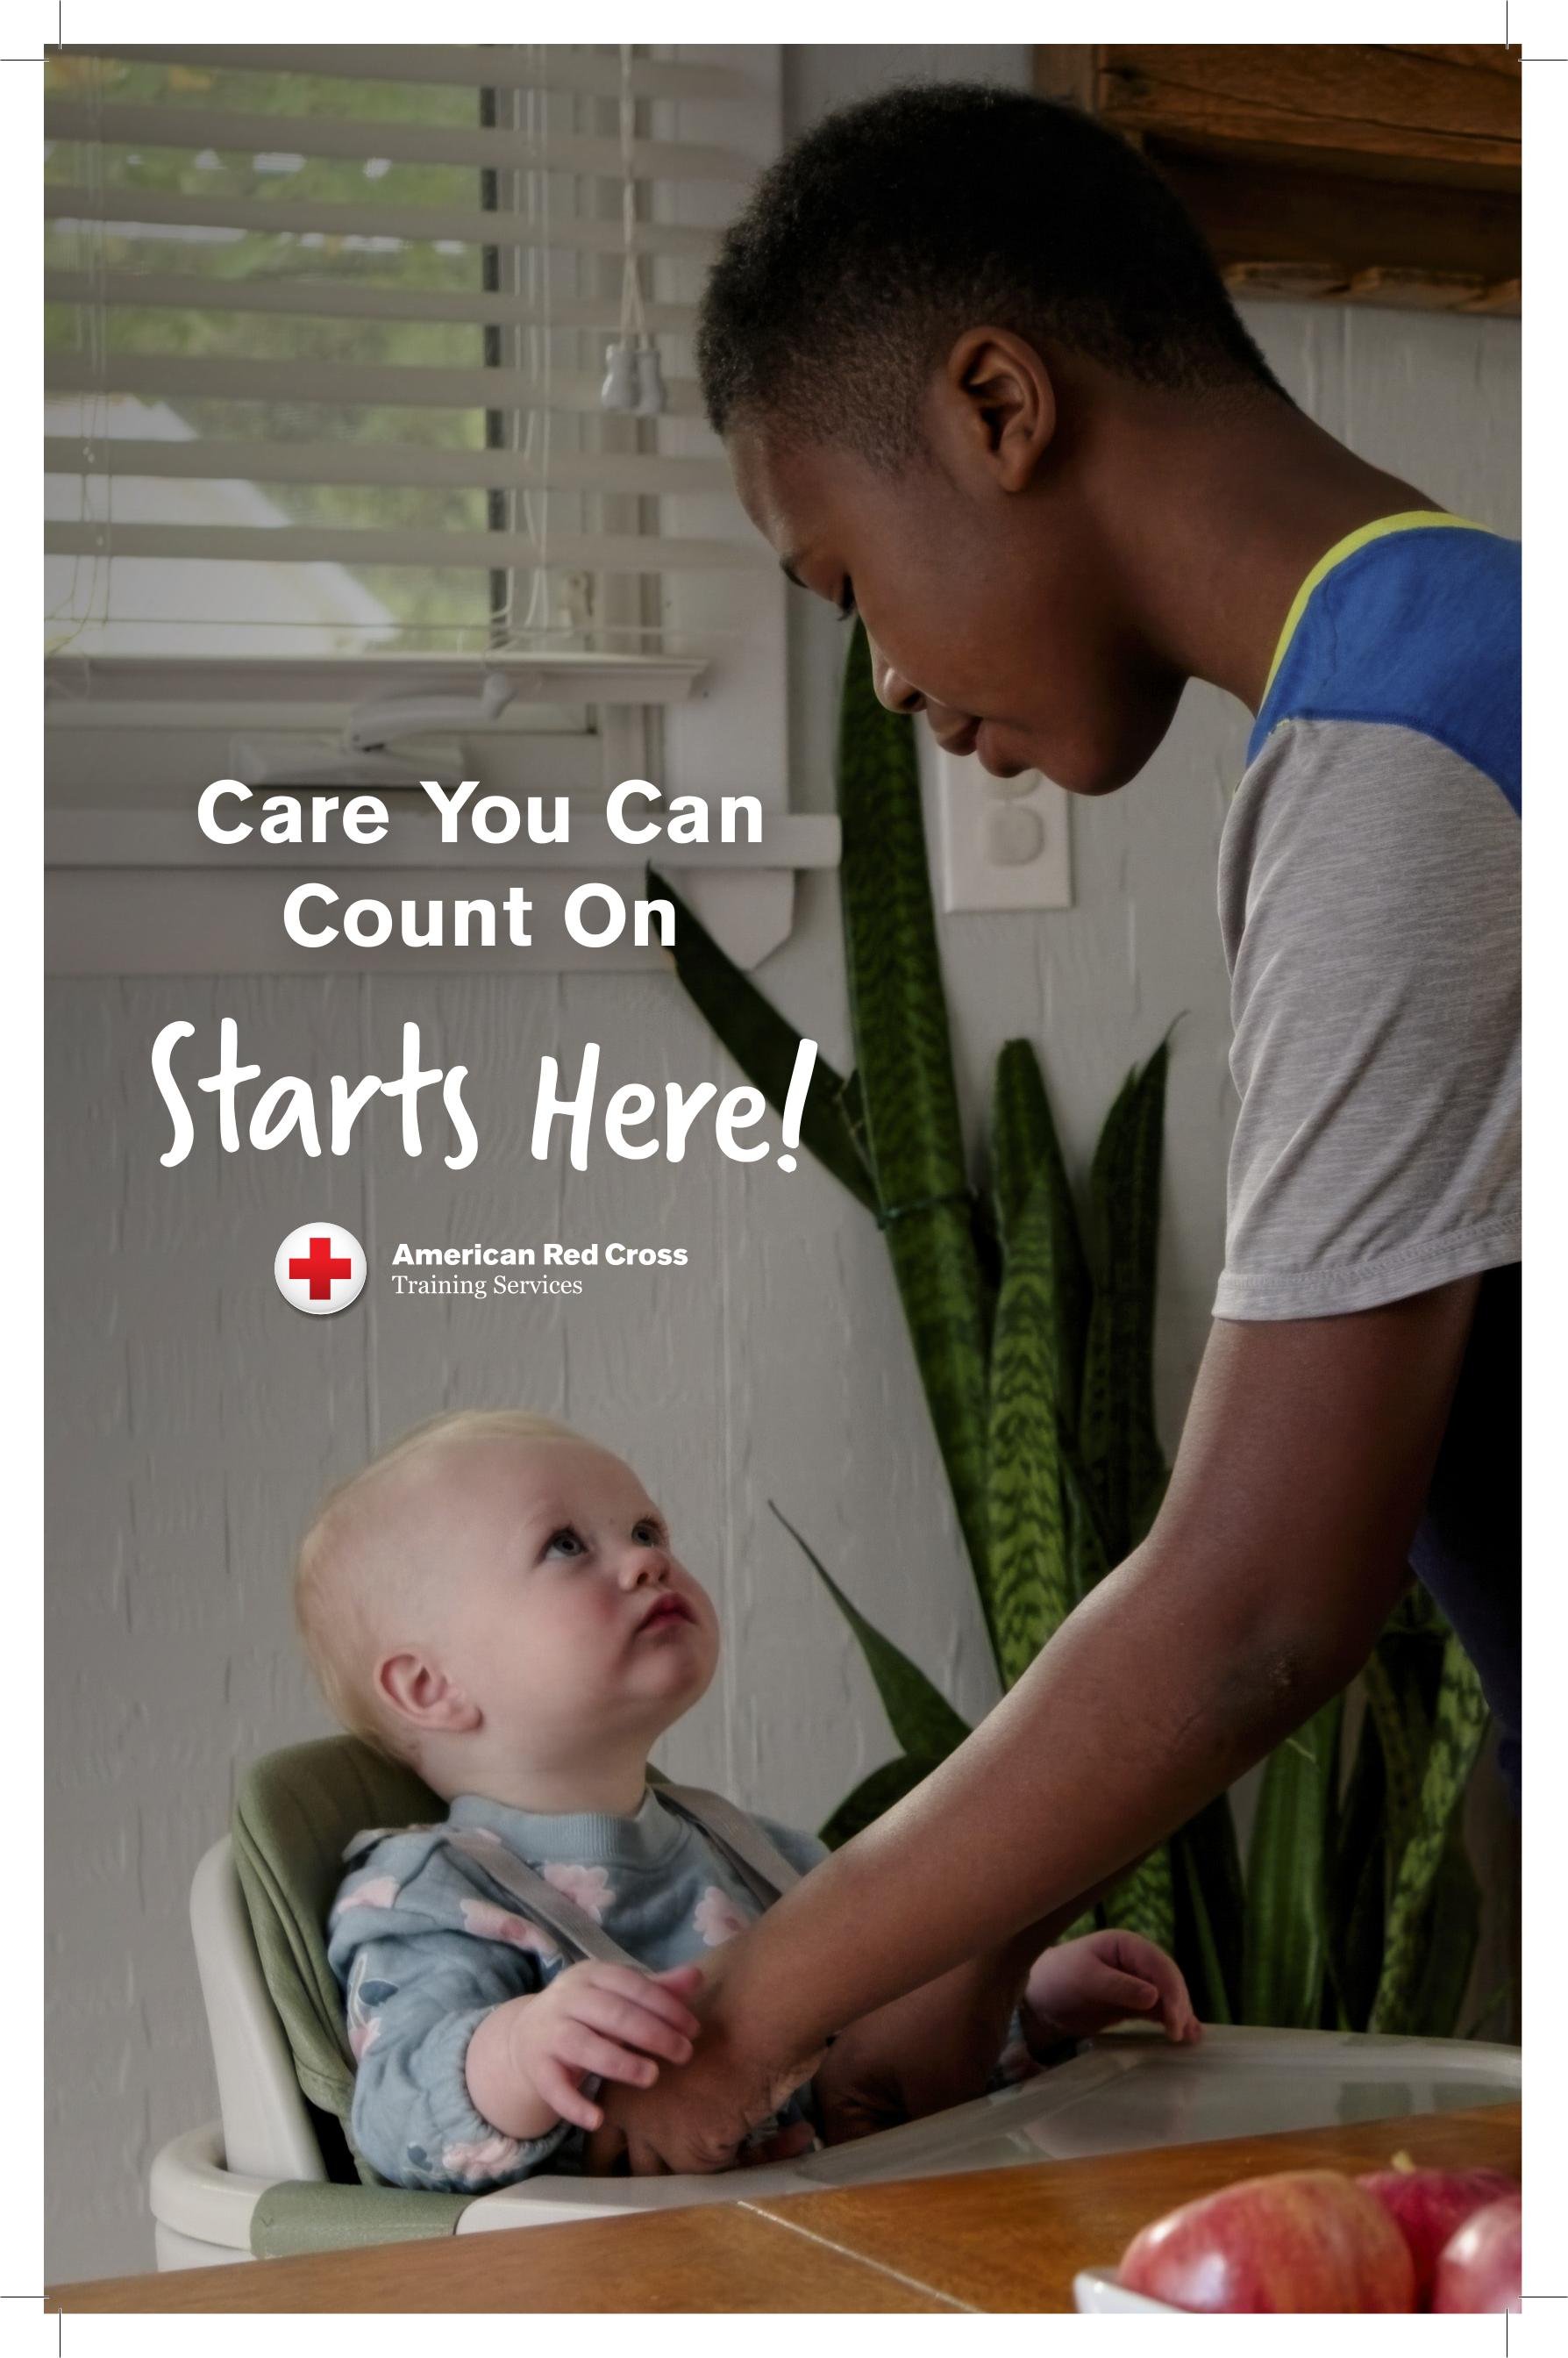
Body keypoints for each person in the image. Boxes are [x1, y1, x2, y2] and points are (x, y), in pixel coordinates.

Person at [585, 81, 1521, 2176]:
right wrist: (964, 1925)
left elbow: (1264, 1597)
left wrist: (749, 2010)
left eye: (842, 581)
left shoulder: (1410, 760)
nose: (893, 687)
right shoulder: (1459, 660)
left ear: (998, 404)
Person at [301, 1411, 1199, 2190]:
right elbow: (395, 2116)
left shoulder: (746, 1848)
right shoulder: (428, 1890)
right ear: (429, 1687)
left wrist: (1028, 2007)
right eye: (567, 1545)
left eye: (647, 1530)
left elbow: (878, 2045)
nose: (646, 1562)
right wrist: (518, 2050)